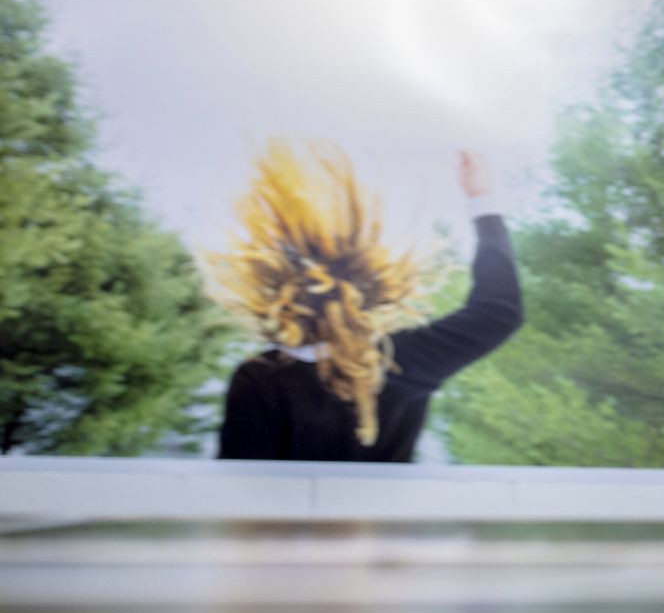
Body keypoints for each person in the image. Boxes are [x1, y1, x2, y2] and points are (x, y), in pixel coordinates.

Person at [213, 143, 522, 462]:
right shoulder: (401, 360)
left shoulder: (260, 377)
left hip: (292, 513)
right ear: (366, 289)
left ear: (276, 292)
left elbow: (242, 489)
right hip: (383, 514)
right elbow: (499, 311)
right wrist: (482, 201)